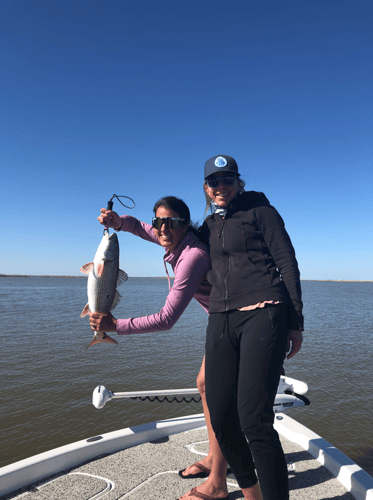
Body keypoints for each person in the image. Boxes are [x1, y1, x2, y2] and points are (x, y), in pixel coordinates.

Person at [181, 155, 303, 500]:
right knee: (220, 414)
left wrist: (296, 321)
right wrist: (125, 224)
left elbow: (287, 262)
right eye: (214, 182)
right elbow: (171, 235)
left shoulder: (261, 211)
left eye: (228, 180)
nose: (222, 187)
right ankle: (248, 494)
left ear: (238, 182)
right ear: (206, 188)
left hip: (264, 312)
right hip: (221, 318)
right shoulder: (208, 225)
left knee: (254, 418)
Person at [90, 196, 229, 492]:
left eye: (172, 222)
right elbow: (142, 228)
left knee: (218, 394)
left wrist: (115, 326)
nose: (163, 229)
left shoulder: (192, 256)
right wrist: (119, 222)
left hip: (237, 321)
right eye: (159, 222)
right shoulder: (175, 237)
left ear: (185, 224)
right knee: (206, 385)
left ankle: (218, 481)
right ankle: (215, 456)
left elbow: (166, 319)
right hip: (221, 320)